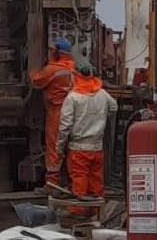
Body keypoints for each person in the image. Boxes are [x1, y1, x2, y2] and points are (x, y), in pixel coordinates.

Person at [56, 60, 117, 212]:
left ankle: (78, 214)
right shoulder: (102, 93)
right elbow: (114, 107)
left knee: (79, 181)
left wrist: (60, 146)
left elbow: (65, 126)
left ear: (75, 76)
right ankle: (96, 213)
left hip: (78, 148)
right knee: (96, 181)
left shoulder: (73, 97)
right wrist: (101, 117)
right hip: (97, 147)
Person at [29, 37, 75, 188]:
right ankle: (71, 183)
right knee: (70, 147)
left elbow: (36, 81)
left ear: (56, 53)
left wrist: (32, 71)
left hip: (56, 113)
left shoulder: (52, 70)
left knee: (54, 147)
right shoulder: (72, 68)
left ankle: (52, 184)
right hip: (73, 112)